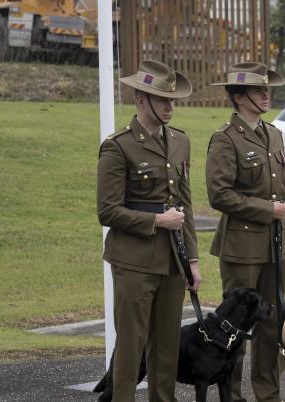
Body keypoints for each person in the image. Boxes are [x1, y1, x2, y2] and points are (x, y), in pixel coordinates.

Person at [97, 59, 201, 402]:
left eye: (172, 100)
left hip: (172, 261)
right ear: (141, 100)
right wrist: (155, 221)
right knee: (131, 345)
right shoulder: (119, 146)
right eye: (162, 100)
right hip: (134, 261)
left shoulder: (180, 141)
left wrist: (193, 262)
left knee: (167, 345)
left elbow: (184, 205)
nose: (170, 107)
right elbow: (107, 211)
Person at [206, 62, 285, 402]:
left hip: (274, 246)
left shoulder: (273, 134)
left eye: (267, 89)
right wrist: (265, 210)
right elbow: (219, 195)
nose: (266, 95)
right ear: (239, 98)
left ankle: (268, 395)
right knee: (235, 329)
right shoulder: (226, 139)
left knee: (271, 325)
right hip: (241, 246)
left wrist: (284, 234)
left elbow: (281, 190)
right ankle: (233, 395)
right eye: (259, 91)